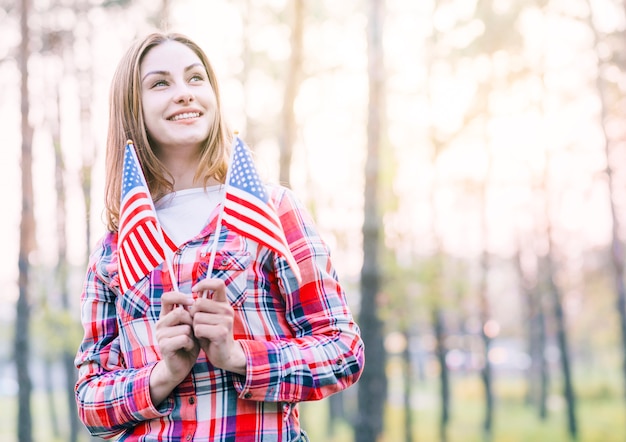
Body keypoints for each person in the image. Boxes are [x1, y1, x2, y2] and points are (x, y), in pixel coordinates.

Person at [74, 32, 365, 441]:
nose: (184, 94)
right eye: (160, 83)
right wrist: (163, 373)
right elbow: (90, 402)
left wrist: (239, 356)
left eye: (196, 79)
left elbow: (342, 351)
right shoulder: (118, 243)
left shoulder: (272, 210)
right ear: (131, 107)